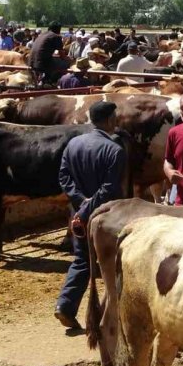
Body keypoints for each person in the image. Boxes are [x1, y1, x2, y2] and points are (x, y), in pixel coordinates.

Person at [54, 101, 126, 329]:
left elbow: (64, 177)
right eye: (115, 117)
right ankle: (115, 312)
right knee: (114, 262)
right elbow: (109, 187)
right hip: (107, 217)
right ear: (108, 120)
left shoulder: (73, 144)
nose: (117, 121)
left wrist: (80, 204)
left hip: (78, 217)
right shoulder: (114, 150)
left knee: (82, 260)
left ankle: (65, 305)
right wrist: (88, 207)